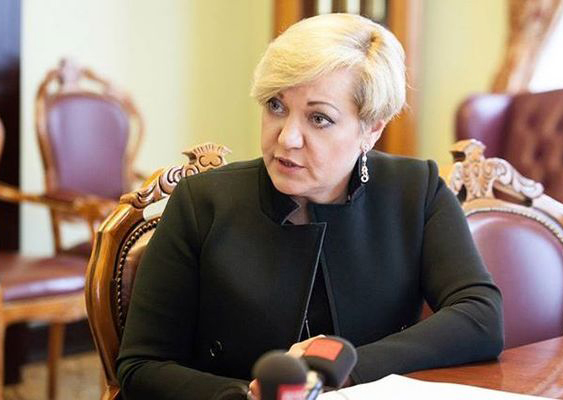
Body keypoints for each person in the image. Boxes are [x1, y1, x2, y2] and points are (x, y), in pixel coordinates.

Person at [117, 13, 504, 400]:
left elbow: (480, 315)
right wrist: (246, 396)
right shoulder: (201, 202)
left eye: (319, 118)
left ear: (372, 128)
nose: (287, 138)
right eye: (276, 106)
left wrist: (345, 369)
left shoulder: (416, 190)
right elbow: (141, 366)